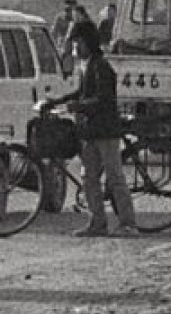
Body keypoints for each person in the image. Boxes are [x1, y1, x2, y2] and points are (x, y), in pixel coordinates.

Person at [38, 19, 137, 237]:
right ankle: (97, 222)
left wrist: (78, 106)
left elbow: (103, 100)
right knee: (88, 178)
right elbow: (79, 93)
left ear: (85, 42)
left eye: (76, 43)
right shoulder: (88, 65)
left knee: (115, 177)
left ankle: (128, 224)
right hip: (91, 132)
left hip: (106, 131)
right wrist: (56, 102)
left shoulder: (101, 66)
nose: (74, 49)